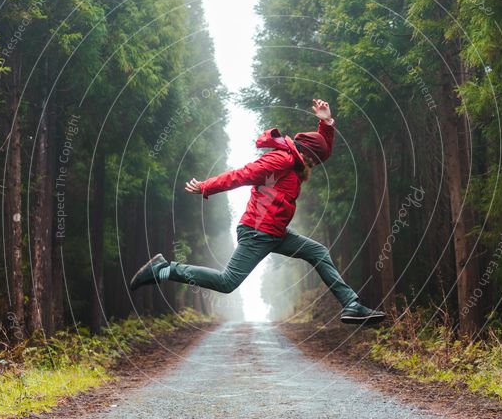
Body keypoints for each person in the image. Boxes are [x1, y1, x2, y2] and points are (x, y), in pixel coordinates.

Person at [130, 99, 387, 324]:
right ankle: (165, 269)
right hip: (257, 231)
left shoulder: (297, 159)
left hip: (275, 232)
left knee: (317, 252)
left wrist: (326, 123)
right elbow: (241, 175)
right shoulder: (281, 160)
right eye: (315, 161)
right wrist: (206, 186)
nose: (315, 166)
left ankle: (351, 305)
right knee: (227, 282)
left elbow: (324, 149)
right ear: (307, 154)